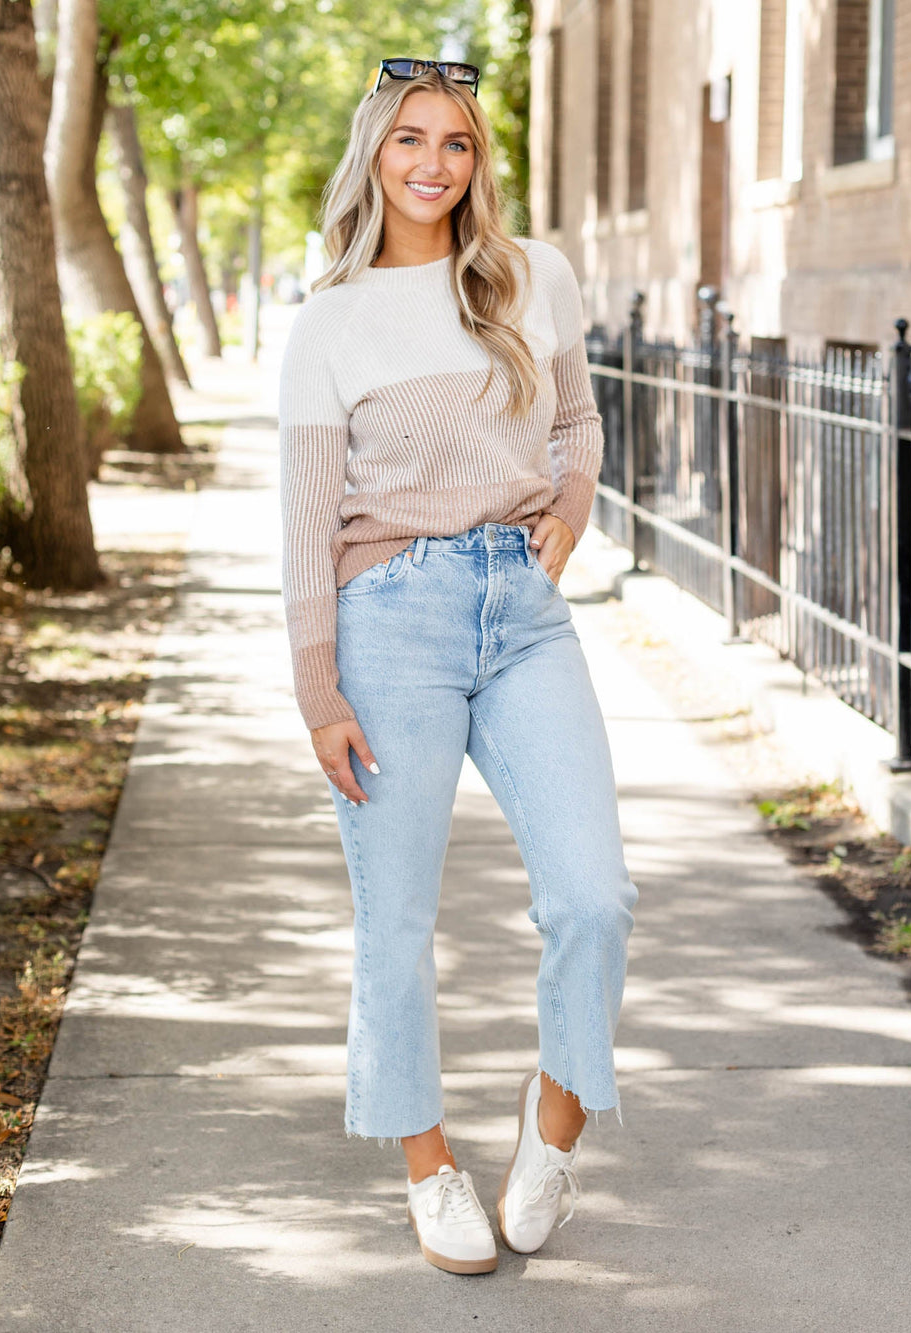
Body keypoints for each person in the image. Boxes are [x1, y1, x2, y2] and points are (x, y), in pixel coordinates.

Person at [278, 56, 638, 1275]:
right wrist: (317, 689)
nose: (435, 164)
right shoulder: (327, 319)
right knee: (398, 922)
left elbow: (578, 420)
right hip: (389, 619)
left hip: (523, 610)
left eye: (458, 144)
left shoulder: (534, 275)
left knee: (594, 898)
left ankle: (551, 1138)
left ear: (479, 161)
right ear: (372, 154)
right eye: (409, 140)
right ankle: (429, 1169)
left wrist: (572, 507)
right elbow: (306, 522)